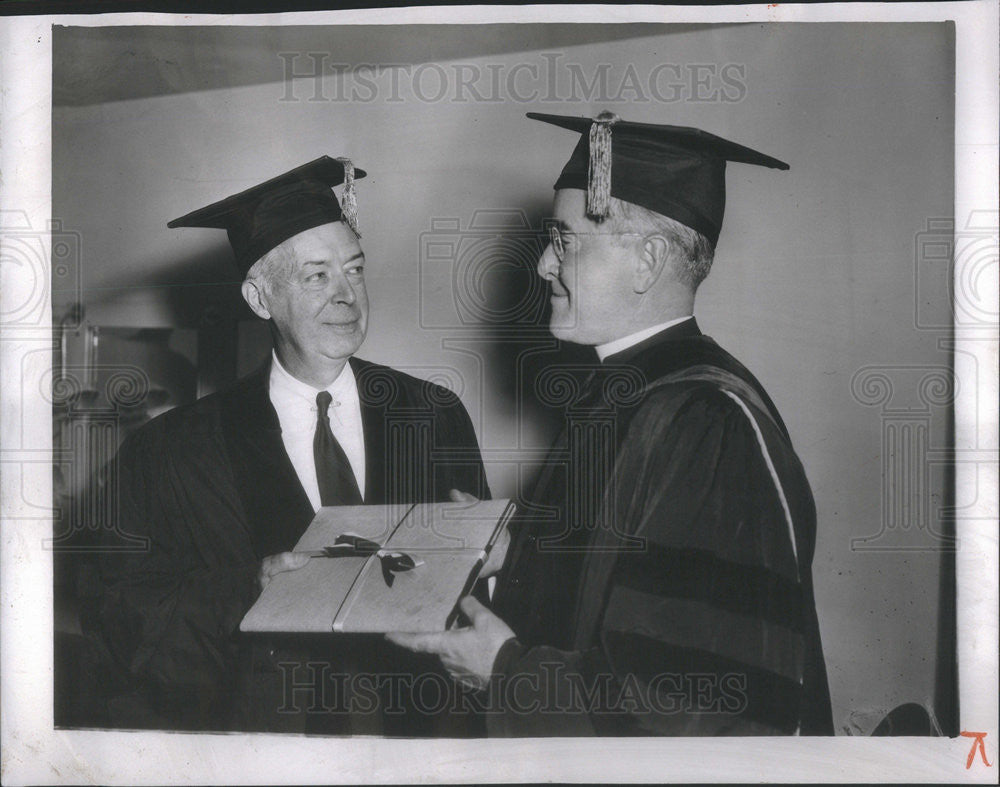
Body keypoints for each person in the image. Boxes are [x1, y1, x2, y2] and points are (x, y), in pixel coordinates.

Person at [388, 112, 834, 736]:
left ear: (648, 261)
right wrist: (519, 554)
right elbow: (620, 586)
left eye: (565, 240)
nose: (544, 263)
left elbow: (695, 698)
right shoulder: (622, 398)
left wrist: (508, 673)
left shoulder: (709, 425)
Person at [86, 156, 490, 733]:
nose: (348, 295)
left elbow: (476, 587)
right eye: (317, 276)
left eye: (354, 269)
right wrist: (247, 590)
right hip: (266, 738)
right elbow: (124, 616)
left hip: (419, 737)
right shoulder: (174, 451)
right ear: (259, 298)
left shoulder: (432, 415)